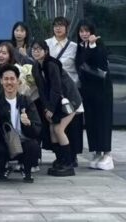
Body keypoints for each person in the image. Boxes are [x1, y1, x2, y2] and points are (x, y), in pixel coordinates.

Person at [30, 41, 78, 177]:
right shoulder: (35, 67)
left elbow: (56, 88)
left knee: (58, 129)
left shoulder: (51, 64)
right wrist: (47, 108)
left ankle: (68, 163)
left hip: (69, 100)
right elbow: (42, 90)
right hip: (54, 103)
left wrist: (50, 108)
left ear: (46, 51)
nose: (36, 51)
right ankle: (60, 160)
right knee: (52, 130)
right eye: (33, 49)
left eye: (39, 49)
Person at [0, 65, 41, 183]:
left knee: (33, 146)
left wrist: (28, 124)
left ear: (18, 81)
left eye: (12, 79)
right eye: (6, 79)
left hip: (23, 142)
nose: (9, 82)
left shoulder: (26, 101)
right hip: (5, 142)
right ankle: (2, 170)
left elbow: (37, 129)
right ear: (1, 81)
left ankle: (26, 170)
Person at [75, 21, 114, 171]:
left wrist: (92, 46)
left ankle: (107, 153)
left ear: (92, 32)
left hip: (102, 90)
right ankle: (97, 152)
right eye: (81, 31)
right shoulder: (80, 47)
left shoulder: (99, 45)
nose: (84, 34)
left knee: (103, 121)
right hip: (87, 91)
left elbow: (101, 63)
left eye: (87, 31)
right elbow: (80, 63)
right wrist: (88, 48)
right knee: (91, 122)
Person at [45, 16, 83, 166]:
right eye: (55, 25)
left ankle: (72, 156)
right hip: (54, 92)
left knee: (73, 126)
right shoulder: (46, 44)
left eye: (61, 25)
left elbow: (79, 68)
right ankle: (60, 157)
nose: (58, 28)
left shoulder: (74, 47)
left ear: (67, 28)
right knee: (55, 125)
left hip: (70, 91)